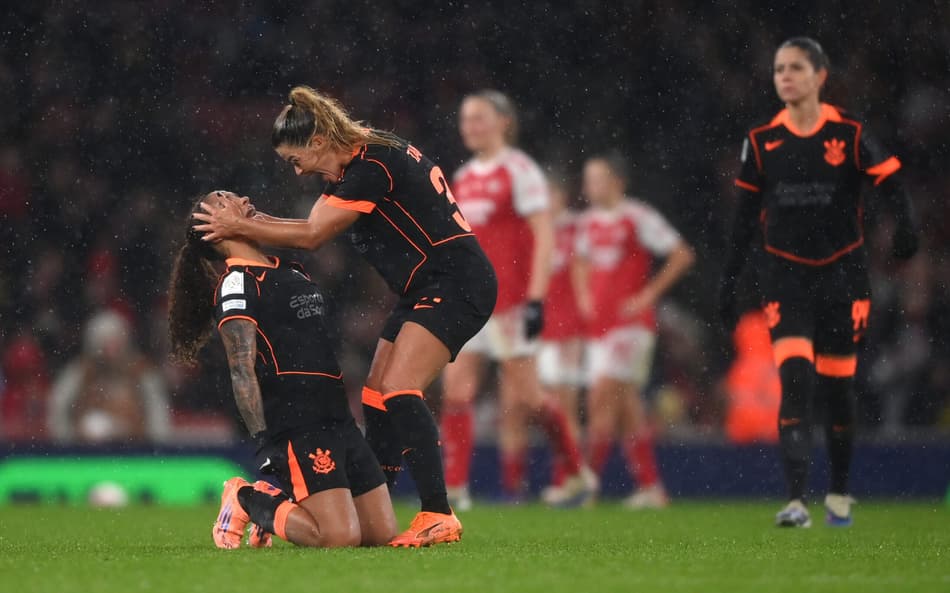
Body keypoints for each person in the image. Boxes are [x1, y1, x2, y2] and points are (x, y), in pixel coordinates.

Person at [192, 86, 497, 547]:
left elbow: (312, 234)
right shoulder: (371, 155)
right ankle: (376, 499)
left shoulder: (369, 168)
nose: (296, 172)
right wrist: (248, 225)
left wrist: (237, 226)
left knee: (398, 388)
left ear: (317, 142)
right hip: (426, 286)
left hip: (455, 282)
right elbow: (307, 227)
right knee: (376, 394)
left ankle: (438, 511)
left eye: (296, 160)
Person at [718, 37, 918, 528]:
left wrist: (907, 229)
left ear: (820, 76)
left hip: (843, 276)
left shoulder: (848, 134)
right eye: (779, 68)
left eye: (795, 68)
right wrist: (729, 280)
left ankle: (841, 493)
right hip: (784, 276)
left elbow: (892, 183)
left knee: (837, 390)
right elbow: (744, 217)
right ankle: (795, 501)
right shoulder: (762, 141)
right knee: (795, 381)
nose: (784, 76)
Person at [169, 191, 398, 549]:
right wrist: (265, 442)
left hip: (337, 414)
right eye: (226, 200)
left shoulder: (288, 267)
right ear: (214, 229)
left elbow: (309, 234)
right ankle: (247, 497)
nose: (243, 198)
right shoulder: (236, 285)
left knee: (380, 535)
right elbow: (241, 369)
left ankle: (277, 512)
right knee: (338, 538)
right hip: (297, 421)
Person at [440, 90, 594, 508]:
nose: (470, 126)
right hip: (471, 301)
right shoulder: (463, 176)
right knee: (457, 390)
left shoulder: (520, 170)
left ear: (503, 122)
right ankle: (454, 487)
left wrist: (536, 299)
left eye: (479, 118)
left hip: (509, 302)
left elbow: (545, 234)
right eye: (465, 119)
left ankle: (577, 470)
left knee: (528, 399)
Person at [574, 154, 695, 509]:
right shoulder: (587, 223)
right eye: (587, 179)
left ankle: (587, 486)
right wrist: (584, 297)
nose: (589, 186)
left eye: (596, 179)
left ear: (617, 182)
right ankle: (651, 487)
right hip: (600, 327)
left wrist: (647, 295)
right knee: (626, 407)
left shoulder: (637, 217)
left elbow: (682, 255)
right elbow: (580, 262)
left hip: (630, 326)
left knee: (600, 398)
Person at [536, 176, 588, 504]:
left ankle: (571, 479)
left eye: (550, 194)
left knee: (566, 407)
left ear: (562, 196)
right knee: (550, 406)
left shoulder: (577, 230)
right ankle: (570, 477)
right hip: (544, 330)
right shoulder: (538, 230)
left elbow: (586, 279)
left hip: (570, 330)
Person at [48, 309, 171, 444]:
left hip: (134, 449)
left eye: (115, 340)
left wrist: (157, 445)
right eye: (106, 341)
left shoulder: (140, 372)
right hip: (87, 451)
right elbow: (59, 408)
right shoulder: (80, 372)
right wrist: (65, 443)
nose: (111, 348)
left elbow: (157, 411)